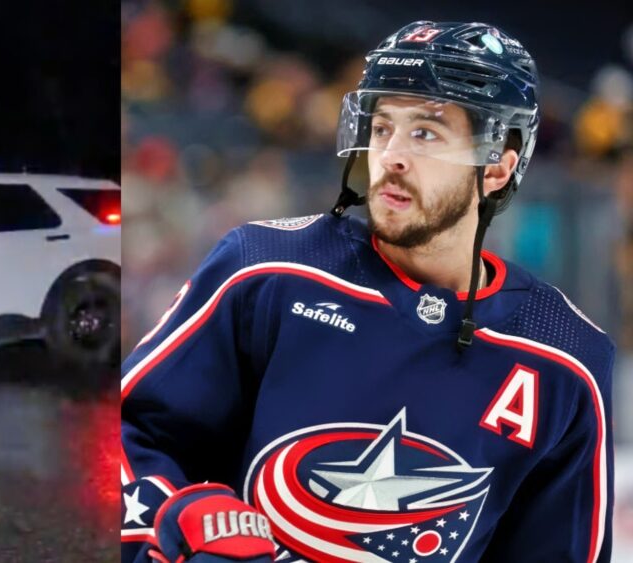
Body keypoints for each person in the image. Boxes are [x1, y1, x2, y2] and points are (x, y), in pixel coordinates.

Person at [120, 21, 614, 563]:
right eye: (382, 128)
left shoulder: (565, 357)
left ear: (497, 165)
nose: (391, 156)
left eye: (425, 132)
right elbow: (125, 433)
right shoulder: (266, 271)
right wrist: (172, 518)